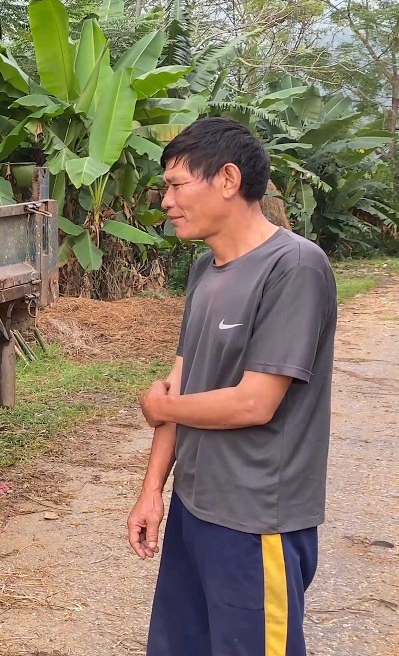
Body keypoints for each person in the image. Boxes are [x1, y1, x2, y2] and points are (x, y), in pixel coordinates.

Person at [127, 117, 337, 656]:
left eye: (176, 185)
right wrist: (153, 490)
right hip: (195, 509)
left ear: (226, 179)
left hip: (255, 518)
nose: (166, 200)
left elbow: (254, 402)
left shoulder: (294, 267)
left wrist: (157, 405)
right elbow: (181, 383)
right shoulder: (205, 270)